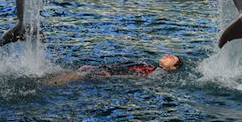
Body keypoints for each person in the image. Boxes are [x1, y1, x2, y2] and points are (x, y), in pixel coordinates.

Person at [47, 54, 182, 85]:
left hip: (109, 74)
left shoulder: (159, 73)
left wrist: (111, 76)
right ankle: (47, 80)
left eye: (171, 58)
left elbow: (139, 77)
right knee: (74, 73)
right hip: (108, 70)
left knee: (74, 76)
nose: (167, 55)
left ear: (172, 68)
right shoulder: (151, 66)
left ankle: (48, 84)